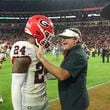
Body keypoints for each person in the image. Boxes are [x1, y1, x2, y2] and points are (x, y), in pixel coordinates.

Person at [34, 28, 89, 110]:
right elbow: (63, 73)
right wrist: (47, 71)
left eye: (67, 38)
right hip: (73, 100)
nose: (63, 41)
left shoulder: (77, 54)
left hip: (75, 103)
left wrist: (41, 57)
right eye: (62, 38)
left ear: (76, 39)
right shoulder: (72, 52)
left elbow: (62, 75)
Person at [10, 15, 54, 110]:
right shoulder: (24, 47)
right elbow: (16, 84)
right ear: (37, 32)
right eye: (47, 35)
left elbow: (45, 74)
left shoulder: (39, 50)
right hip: (29, 105)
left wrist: (66, 73)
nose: (48, 39)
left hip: (43, 101)